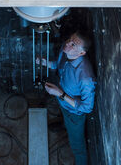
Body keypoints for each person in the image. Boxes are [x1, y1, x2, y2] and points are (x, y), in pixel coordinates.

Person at [39, 31, 96, 165]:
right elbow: (57, 66)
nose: (67, 44)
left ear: (82, 53)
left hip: (74, 114)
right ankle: (64, 125)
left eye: (73, 44)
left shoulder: (85, 77)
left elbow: (87, 107)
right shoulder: (66, 53)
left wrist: (60, 93)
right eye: (70, 39)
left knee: (77, 145)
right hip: (63, 103)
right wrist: (45, 63)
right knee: (64, 115)